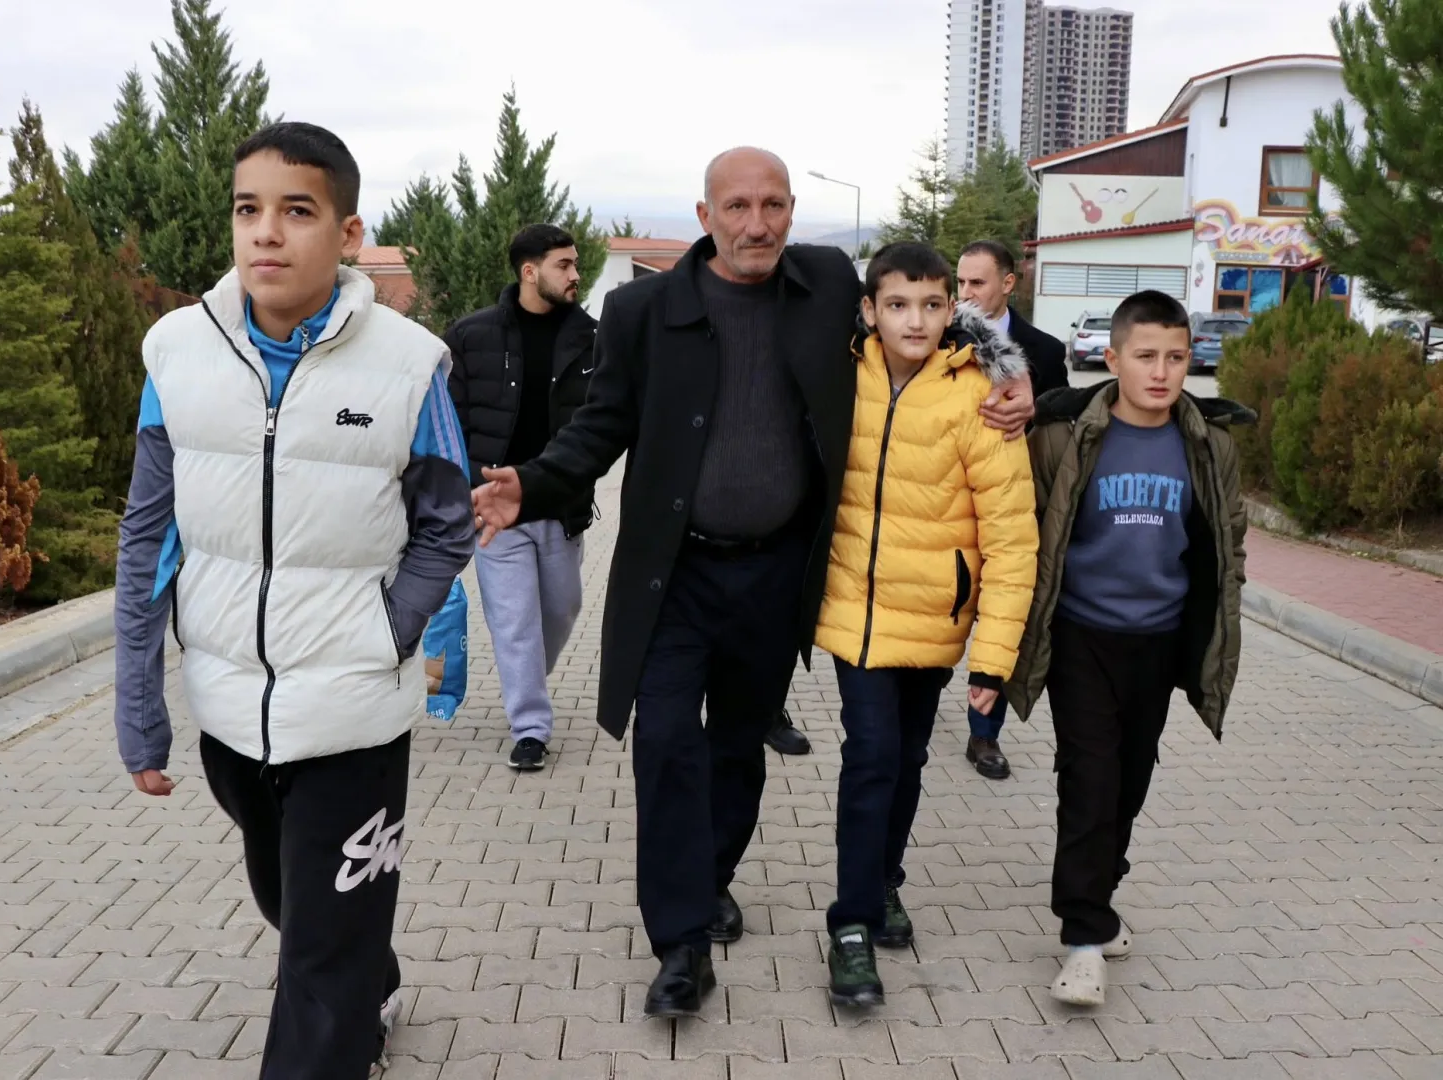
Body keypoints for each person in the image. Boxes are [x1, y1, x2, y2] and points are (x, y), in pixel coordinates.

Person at [469, 147, 1037, 1018]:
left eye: (773, 205)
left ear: (792, 211)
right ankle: (681, 945)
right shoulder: (642, 310)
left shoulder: (825, 283)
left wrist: (1012, 376)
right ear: (706, 217)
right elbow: (601, 425)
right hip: (674, 575)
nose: (756, 223)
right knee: (666, 742)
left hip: (776, 573)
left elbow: (933, 313)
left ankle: (713, 878)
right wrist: (534, 483)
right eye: (737, 207)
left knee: (737, 747)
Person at [112, 122, 475, 1079]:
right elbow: (146, 536)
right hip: (231, 712)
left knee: (318, 956)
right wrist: (139, 708)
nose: (266, 232)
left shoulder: (410, 365)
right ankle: (369, 977)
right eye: (248, 209)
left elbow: (446, 524)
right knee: (294, 901)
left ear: (348, 233)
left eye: (297, 211)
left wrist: (389, 631)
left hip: (354, 714)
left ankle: (343, 1012)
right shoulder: (176, 353)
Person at [1004, 290, 1249, 1007]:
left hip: (1160, 639)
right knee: (1090, 778)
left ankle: (1100, 900)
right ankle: (1083, 937)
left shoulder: (1208, 444)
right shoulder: (1065, 435)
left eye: (1176, 357)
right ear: (1112, 360)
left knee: (1130, 780)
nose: (1161, 371)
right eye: (1146, 356)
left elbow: (1228, 538)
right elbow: (1027, 528)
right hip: (1081, 634)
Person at [814, 243, 1038, 1006]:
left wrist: (993, 660)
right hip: (853, 611)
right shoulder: (839, 374)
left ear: (954, 311)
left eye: (933, 305)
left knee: (908, 757)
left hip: (936, 618)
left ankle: (884, 880)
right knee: (872, 755)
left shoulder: (981, 398)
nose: (915, 321)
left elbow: (1012, 538)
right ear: (869, 310)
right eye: (897, 305)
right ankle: (851, 924)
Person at [445, 225, 597, 771]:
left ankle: (526, 676)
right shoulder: (471, 336)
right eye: (564, 265)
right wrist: (471, 488)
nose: (576, 274)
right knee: (515, 622)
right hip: (495, 511)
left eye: (575, 263)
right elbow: (450, 421)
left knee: (562, 609)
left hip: (559, 504)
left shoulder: (593, 338)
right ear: (530, 272)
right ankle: (530, 727)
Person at [954, 239, 1070, 781]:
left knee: (1004, 617)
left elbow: (1062, 421)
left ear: (1007, 283)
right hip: (949, 506)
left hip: (1011, 508)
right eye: (960, 282)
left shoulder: (1044, 350)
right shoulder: (941, 335)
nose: (965, 294)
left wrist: (1033, 410)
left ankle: (984, 735)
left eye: (977, 283)